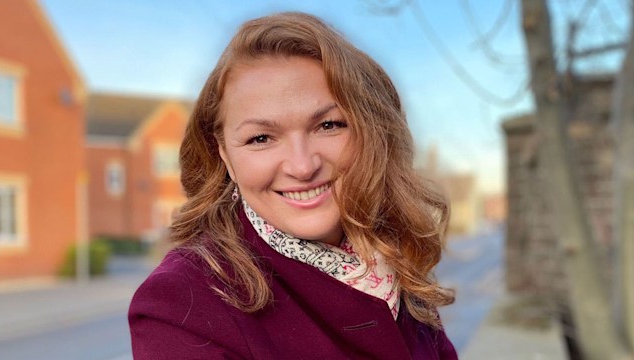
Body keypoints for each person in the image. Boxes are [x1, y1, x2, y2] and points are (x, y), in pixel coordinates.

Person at [129, 11, 457, 360]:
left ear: (371, 132)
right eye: (260, 138)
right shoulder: (182, 303)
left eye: (329, 125)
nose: (302, 166)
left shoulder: (392, 255)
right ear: (224, 154)